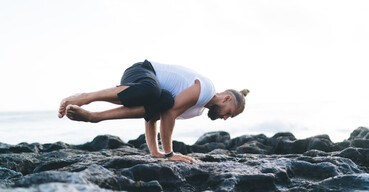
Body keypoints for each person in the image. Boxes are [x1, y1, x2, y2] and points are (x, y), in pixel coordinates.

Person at [58, 60, 249, 162]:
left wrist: (155, 152)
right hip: (140, 71)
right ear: (226, 99)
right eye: (229, 112)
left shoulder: (196, 110)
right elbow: (169, 115)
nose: (225, 118)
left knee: (163, 100)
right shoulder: (205, 89)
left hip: (145, 89)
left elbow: (154, 114)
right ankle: (86, 97)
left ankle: (94, 117)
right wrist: (169, 154)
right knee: (154, 92)